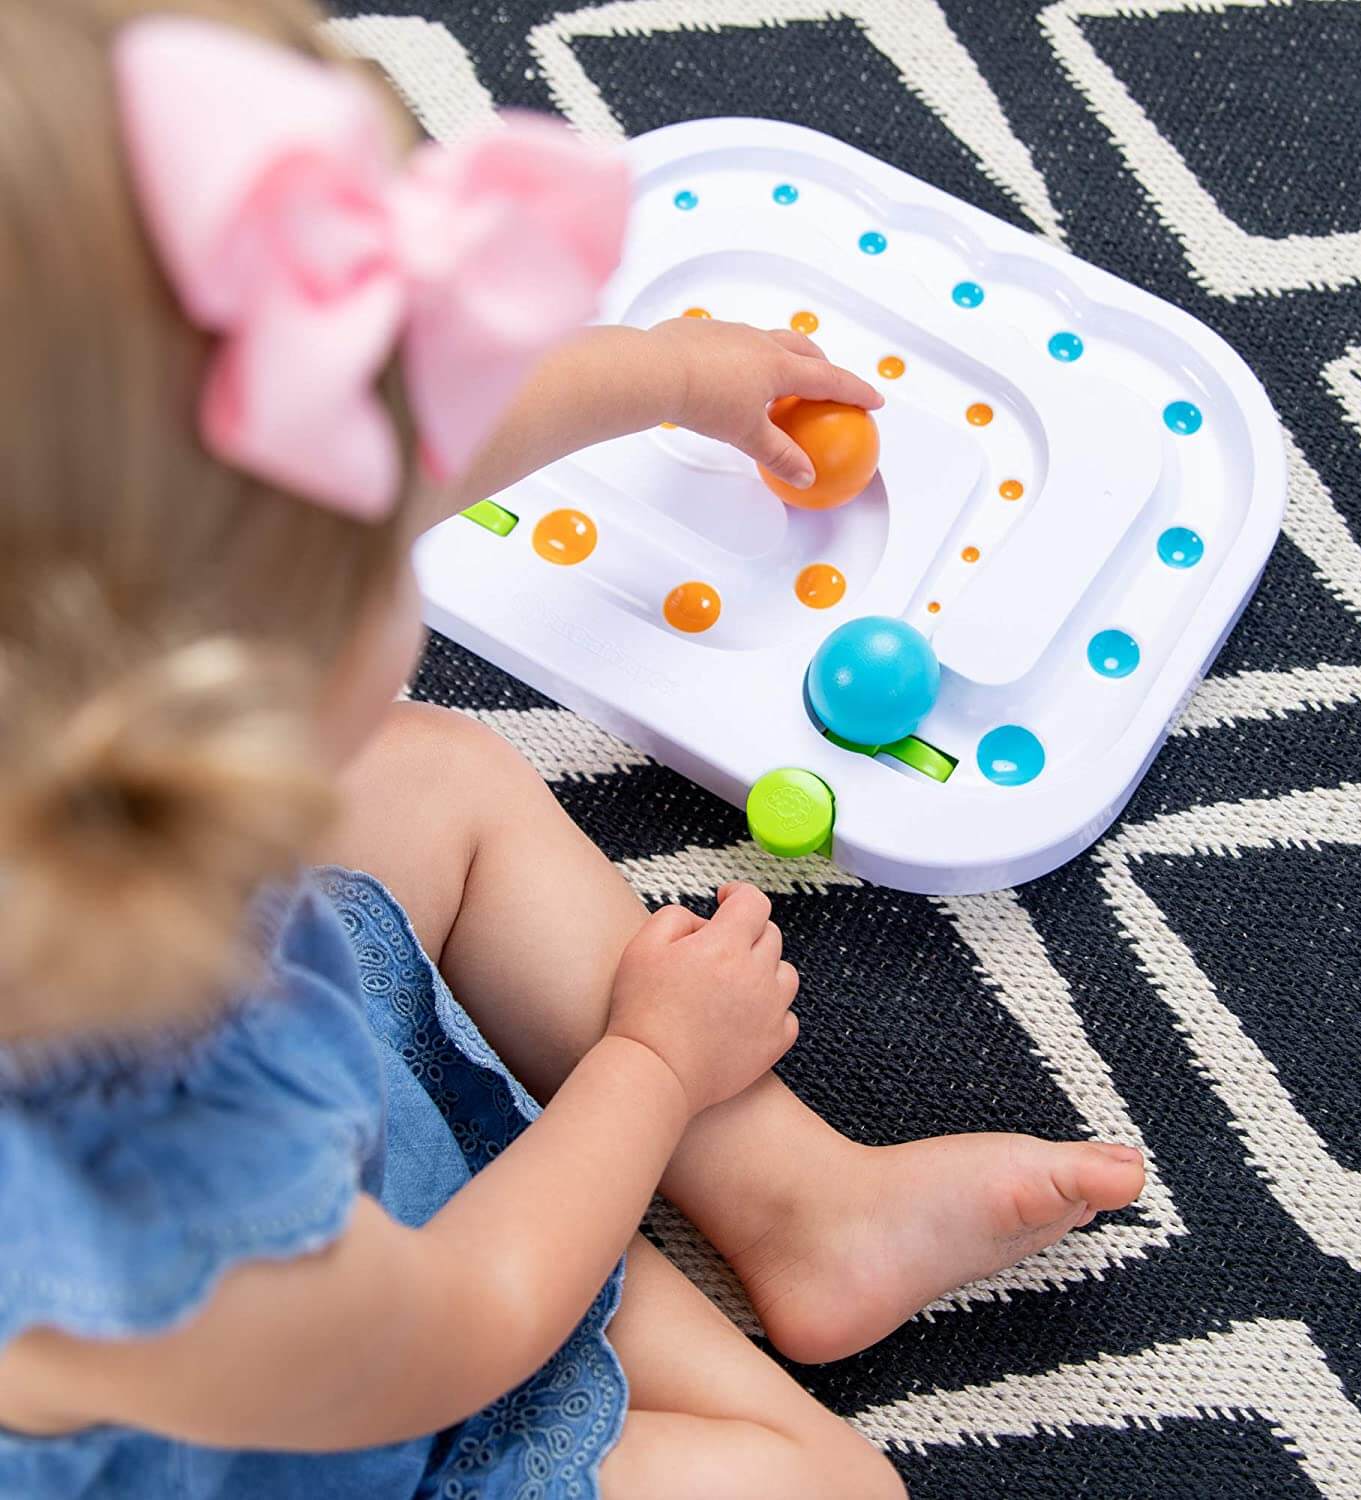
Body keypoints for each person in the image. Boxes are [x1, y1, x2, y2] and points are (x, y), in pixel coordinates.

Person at [0, 3, 1146, 1496]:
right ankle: (641, 1227)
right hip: (339, 1412)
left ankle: (800, 1204)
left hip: (308, 1196)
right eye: (372, 558)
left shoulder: (78, 703)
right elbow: (457, 1327)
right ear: (206, 706)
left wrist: (666, 377)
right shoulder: (134, 1207)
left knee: (436, 783)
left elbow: (339, 465)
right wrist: (651, 1068)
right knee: (827, 1488)